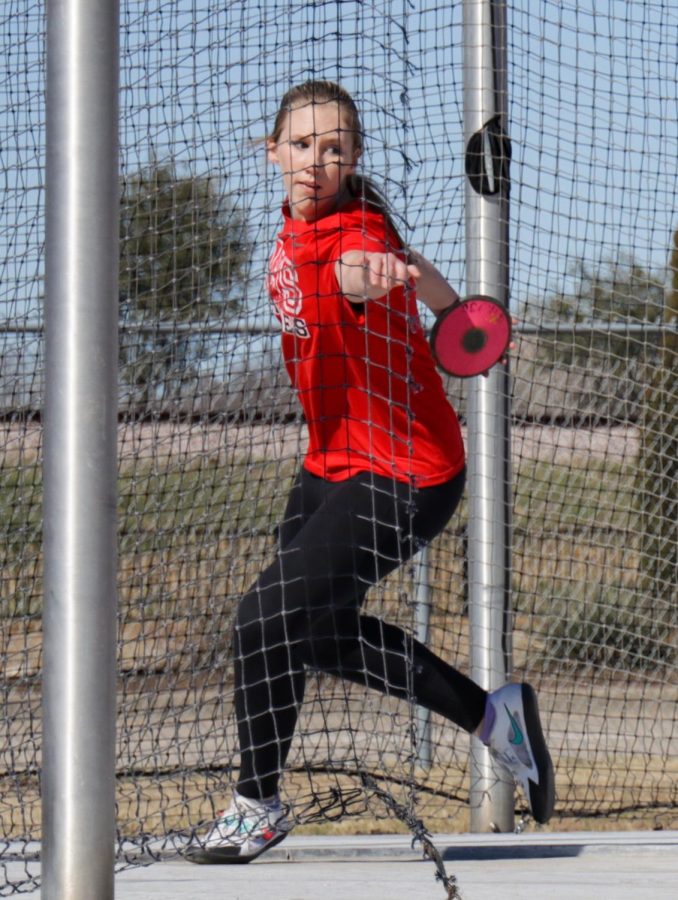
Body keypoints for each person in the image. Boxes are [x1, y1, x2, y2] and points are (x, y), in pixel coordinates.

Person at [186, 80, 554, 864]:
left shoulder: (351, 233)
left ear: (352, 160)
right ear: (273, 150)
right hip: (334, 460)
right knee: (308, 633)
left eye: (335, 148)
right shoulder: (300, 225)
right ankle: (498, 721)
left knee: (261, 622)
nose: (317, 160)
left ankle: (257, 804)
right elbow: (409, 262)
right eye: (303, 145)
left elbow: (362, 266)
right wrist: (456, 311)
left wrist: (373, 279)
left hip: (408, 471)